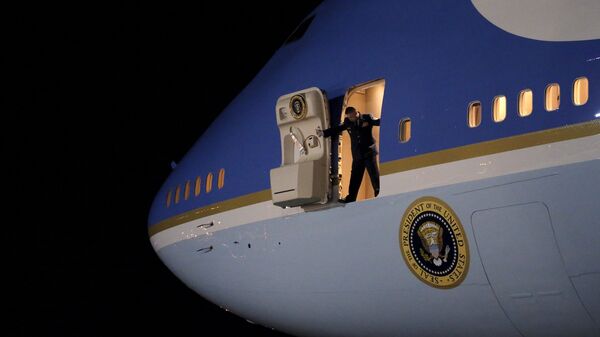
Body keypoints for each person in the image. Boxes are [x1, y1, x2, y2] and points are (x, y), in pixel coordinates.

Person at [317, 106, 380, 203]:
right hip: (357, 155)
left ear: (356, 113)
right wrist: (324, 133)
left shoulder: (367, 118)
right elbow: (337, 128)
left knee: (374, 174)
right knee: (355, 177)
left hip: (369, 152)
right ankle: (351, 198)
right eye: (349, 117)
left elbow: (377, 122)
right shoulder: (347, 122)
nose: (350, 119)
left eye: (352, 117)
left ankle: (378, 193)